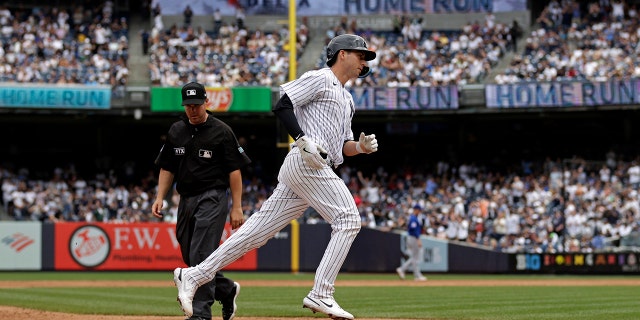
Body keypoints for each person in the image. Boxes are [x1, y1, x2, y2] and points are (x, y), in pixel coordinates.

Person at [171, 34, 378, 320]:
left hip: (315, 166)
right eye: (360, 55)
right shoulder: (320, 78)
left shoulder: (347, 99)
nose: (364, 61)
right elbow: (282, 104)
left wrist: (361, 148)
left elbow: (344, 146)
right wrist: (303, 138)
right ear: (342, 54)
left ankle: (194, 275)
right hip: (306, 163)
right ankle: (321, 293)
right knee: (348, 219)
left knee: (256, 233)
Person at [152, 81, 251, 320]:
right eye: (188, 106)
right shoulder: (176, 130)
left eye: (197, 105)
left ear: (206, 102)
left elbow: (234, 171)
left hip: (213, 197)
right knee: (189, 255)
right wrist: (159, 196)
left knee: (201, 254)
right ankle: (226, 290)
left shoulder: (222, 131)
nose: (193, 110)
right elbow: (167, 167)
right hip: (185, 198)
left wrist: (236, 207)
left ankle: (200, 313)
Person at [396, 204, 427, 281]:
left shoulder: (413, 218)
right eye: (419, 210)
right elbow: (414, 230)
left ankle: (402, 269)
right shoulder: (413, 218)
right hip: (413, 238)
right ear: (416, 210)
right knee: (415, 258)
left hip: (411, 238)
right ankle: (417, 276)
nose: (419, 212)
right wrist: (418, 239)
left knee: (414, 257)